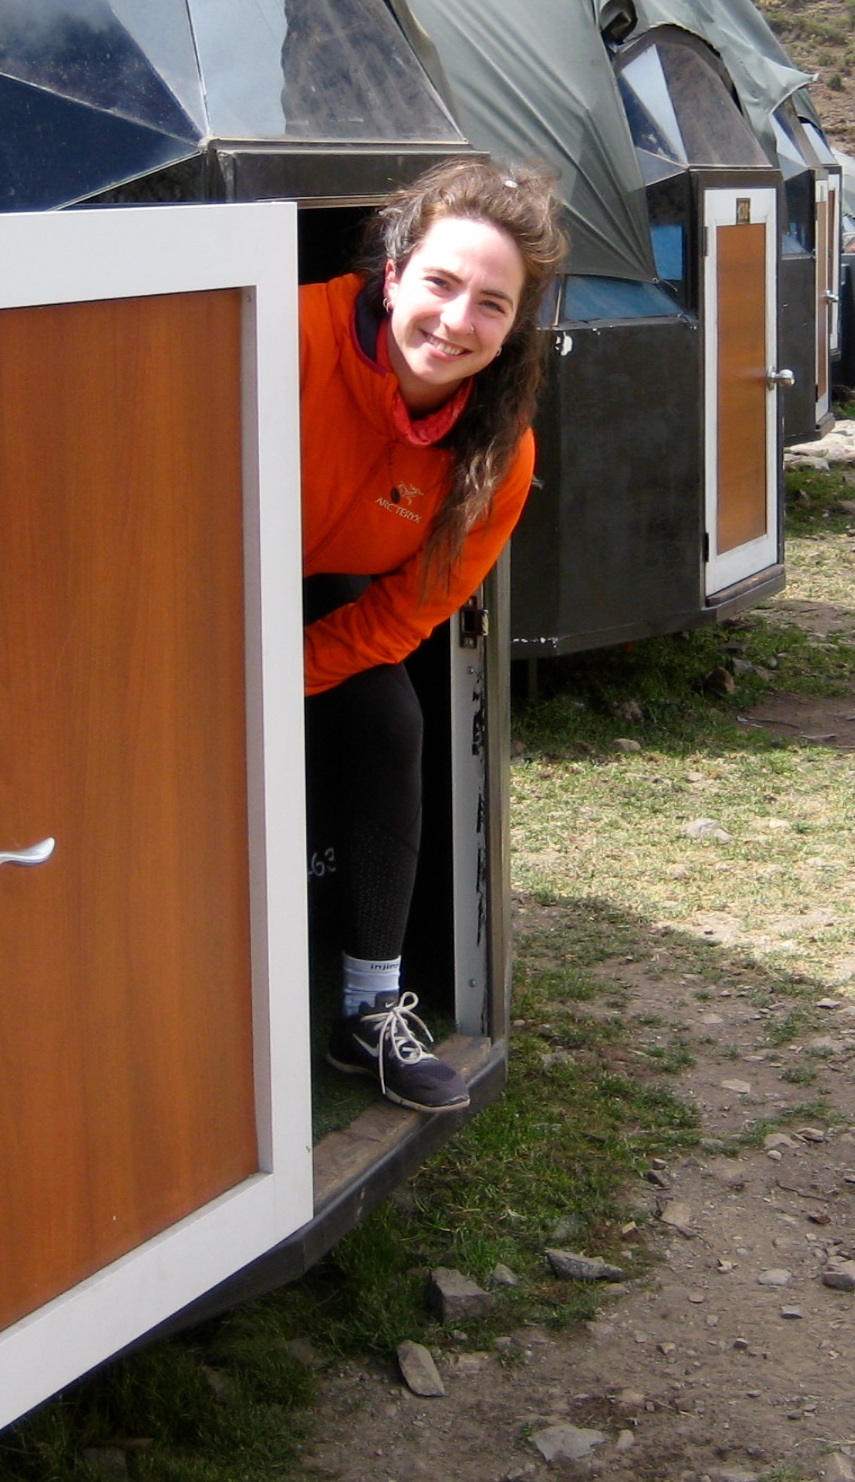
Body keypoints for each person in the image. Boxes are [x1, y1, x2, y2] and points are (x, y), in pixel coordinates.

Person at [301, 159, 566, 1109]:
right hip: (193, 588)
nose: (457, 321)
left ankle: (368, 1013)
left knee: (389, 727)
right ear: (393, 277)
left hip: (315, 600)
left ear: (513, 329)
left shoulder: (498, 447)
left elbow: (411, 609)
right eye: (441, 284)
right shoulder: (290, 340)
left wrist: (278, 677)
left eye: (491, 305)